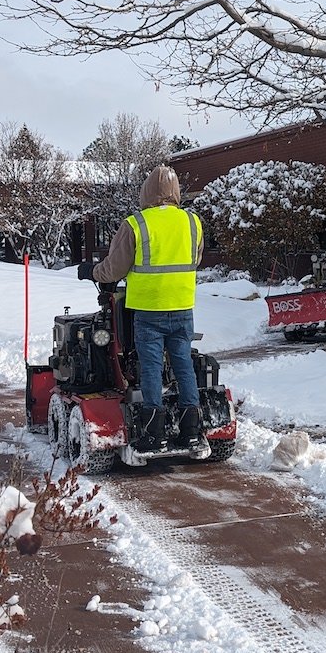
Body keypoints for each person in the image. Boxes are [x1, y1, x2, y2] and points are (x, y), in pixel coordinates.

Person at [92, 165, 208, 455]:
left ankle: (154, 433)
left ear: (146, 192)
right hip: (182, 306)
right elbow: (195, 259)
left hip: (148, 310)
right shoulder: (192, 222)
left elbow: (115, 267)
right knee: (183, 366)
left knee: (152, 370)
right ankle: (191, 429)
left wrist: (94, 271)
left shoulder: (136, 224)